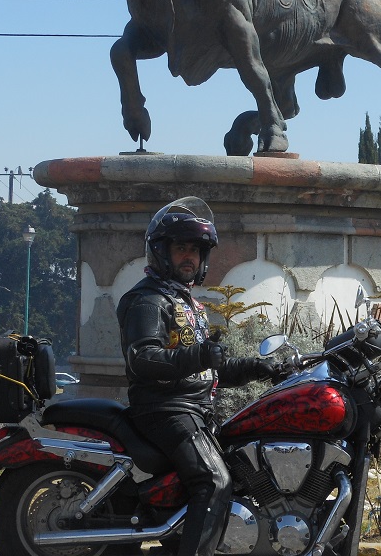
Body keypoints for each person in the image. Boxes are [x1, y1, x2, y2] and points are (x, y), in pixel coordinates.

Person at [116, 196, 279, 556]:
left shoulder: (185, 302)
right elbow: (143, 358)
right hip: (165, 409)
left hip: (193, 407)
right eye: (180, 248)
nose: (188, 256)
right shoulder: (148, 300)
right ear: (162, 252)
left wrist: (260, 367)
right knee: (213, 480)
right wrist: (199, 355)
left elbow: (209, 366)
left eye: (194, 249)